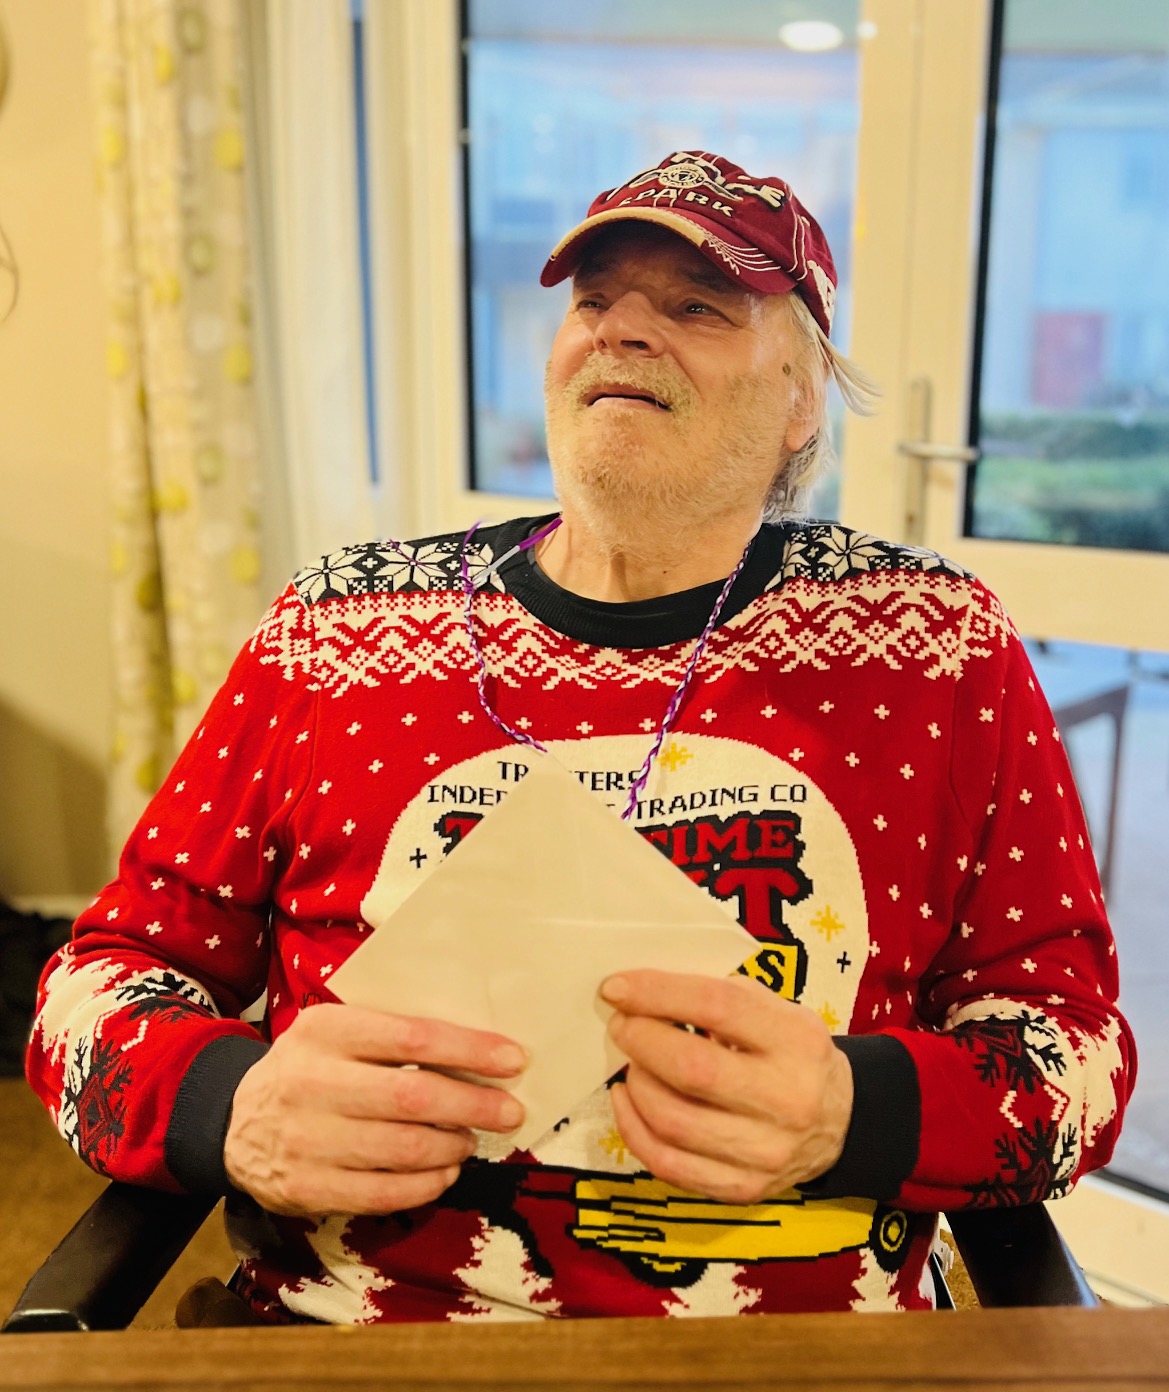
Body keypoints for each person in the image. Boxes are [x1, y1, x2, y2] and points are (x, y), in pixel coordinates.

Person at [28, 151, 1135, 1322]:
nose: (623, 332)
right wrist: (226, 1108)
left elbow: (1072, 1057)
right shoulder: (339, 630)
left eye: (698, 307)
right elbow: (87, 993)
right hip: (360, 1342)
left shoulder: (932, 648)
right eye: (594, 302)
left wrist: (851, 1112)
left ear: (802, 394)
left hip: (798, 1356)